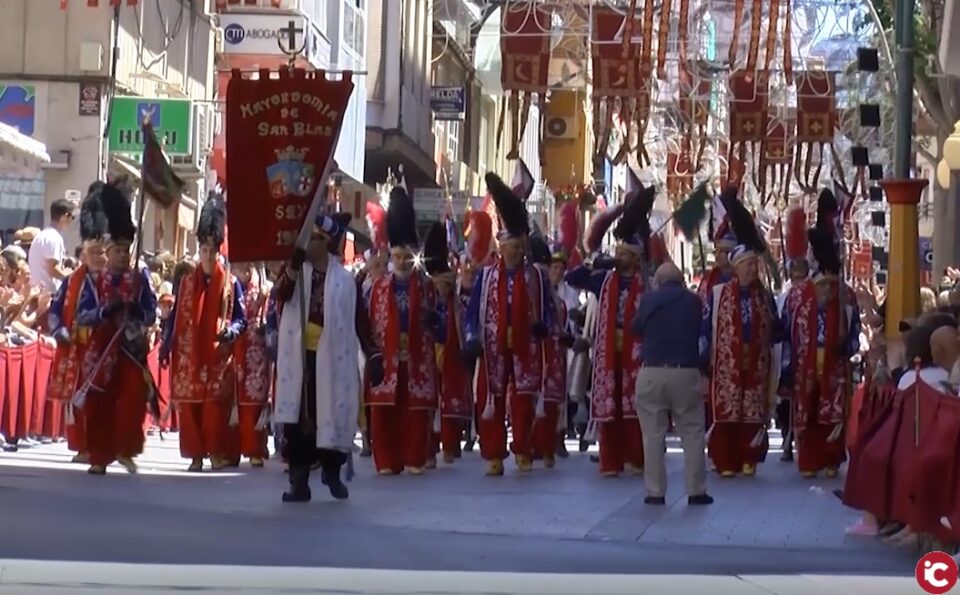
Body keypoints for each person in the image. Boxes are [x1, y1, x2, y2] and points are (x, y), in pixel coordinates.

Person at [274, 210, 383, 501]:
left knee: (331, 411)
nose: (308, 244)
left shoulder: (346, 282)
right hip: (300, 357)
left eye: (315, 239)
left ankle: (332, 472)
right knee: (299, 418)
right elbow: (280, 296)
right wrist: (292, 270)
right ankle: (298, 480)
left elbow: (360, 320)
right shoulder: (296, 272)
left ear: (326, 243)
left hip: (333, 359)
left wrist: (373, 353)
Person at [463, 173, 552, 475]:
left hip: (526, 343)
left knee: (524, 398)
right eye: (509, 246)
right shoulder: (487, 277)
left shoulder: (535, 277)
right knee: (493, 397)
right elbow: (472, 311)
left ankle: (524, 450)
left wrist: (545, 326)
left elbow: (548, 309)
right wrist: (473, 335)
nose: (513, 251)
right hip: (493, 344)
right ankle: (494, 454)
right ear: (501, 247)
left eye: (518, 246)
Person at [565, 186, 654, 477]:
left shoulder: (647, 285)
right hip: (608, 354)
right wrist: (594, 262)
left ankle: (635, 458)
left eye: (625, 254)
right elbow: (572, 276)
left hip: (635, 353)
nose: (620, 258)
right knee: (609, 407)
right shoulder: (603, 280)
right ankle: (610, 459)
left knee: (633, 408)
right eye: (618, 253)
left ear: (635, 257)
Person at [74, 179, 158, 475]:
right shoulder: (94, 282)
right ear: (107, 253)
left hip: (131, 348)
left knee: (134, 397)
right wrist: (103, 311)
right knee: (98, 402)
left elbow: (152, 314)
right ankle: (99, 455)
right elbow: (81, 316)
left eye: (126, 251)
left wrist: (139, 311)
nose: (122, 255)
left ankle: (126, 449)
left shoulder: (140, 280)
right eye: (117, 251)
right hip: (101, 349)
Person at [161, 195, 246, 471]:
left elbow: (241, 319)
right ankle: (195, 454)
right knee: (190, 408)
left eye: (213, 251)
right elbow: (174, 317)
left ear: (219, 252)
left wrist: (231, 332)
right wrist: (165, 343)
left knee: (213, 409)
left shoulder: (231, 285)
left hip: (217, 356)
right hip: (188, 357)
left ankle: (215, 451)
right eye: (204, 250)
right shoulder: (185, 282)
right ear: (199, 251)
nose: (208, 256)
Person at [700, 187, 780, 478]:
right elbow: (705, 327)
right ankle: (725, 460)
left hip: (756, 362)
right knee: (727, 412)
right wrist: (703, 363)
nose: (752, 271)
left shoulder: (763, 296)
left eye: (754, 266)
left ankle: (749, 458)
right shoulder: (719, 293)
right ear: (737, 269)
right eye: (747, 267)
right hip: (725, 364)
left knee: (752, 413)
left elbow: (774, 326)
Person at [781, 189, 860, 479]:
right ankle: (809, 460)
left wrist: (847, 347)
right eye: (822, 286)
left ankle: (830, 459)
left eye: (830, 285)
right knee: (809, 413)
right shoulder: (800, 297)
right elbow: (789, 333)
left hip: (835, 364)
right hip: (806, 365)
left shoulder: (846, 298)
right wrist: (787, 368)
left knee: (834, 412)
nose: (826, 290)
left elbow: (855, 331)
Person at [367, 187, 439, 475]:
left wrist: (435, 322)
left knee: (415, 411)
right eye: (397, 257)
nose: (401, 262)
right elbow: (370, 322)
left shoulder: (426, 285)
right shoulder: (378, 287)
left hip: (417, 355)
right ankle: (386, 459)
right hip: (387, 355)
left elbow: (439, 320)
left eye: (406, 257)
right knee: (385, 411)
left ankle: (414, 457)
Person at [633, 262, 712, 505]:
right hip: (685, 371)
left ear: (658, 280)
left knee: (653, 434)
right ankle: (696, 490)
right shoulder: (693, 301)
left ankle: (655, 492)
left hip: (653, 370)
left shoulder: (648, 299)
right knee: (692, 432)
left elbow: (636, 328)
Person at [46, 184, 110, 464]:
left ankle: (100, 445)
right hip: (77, 347)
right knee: (78, 400)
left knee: (101, 400)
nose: (97, 258)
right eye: (92, 253)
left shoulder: (114, 282)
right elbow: (55, 309)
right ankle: (82, 446)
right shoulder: (72, 281)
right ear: (83, 254)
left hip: (105, 348)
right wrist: (58, 329)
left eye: (101, 253)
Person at [423, 221, 472, 465]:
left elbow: (463, 326)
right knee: (429, 401)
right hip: (431, 352)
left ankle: (451, 445)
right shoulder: (427, 301)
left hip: (451, 351)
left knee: (451, 400)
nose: (441, 288)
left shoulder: (457, 304)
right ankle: (430, 447)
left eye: (445, 284)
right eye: (438, 284)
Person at [233, 262, 271, 468]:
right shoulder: (234, 288)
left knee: (256, 402)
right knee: (238, 403)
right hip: (238, 349)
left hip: (258, 352)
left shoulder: (264, 289)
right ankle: (239, 448)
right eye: (240, 268)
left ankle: (256, 448)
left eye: (247, 268)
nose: (243, 272)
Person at [28, 198, 76, 293]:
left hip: (37, 291)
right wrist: (71, 276)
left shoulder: (42, 235)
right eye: (72, 217)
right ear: (65, 216)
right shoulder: (54, 237)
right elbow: (52, 269)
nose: (72, 221)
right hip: (47, 294)